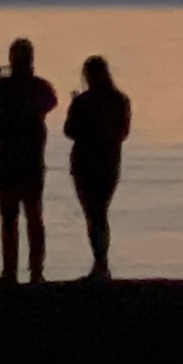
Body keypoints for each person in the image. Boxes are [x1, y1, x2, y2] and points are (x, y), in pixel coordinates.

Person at [0, 38, 59, 285]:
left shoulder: (0, 88)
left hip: (8, 161)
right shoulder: (39, 87)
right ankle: (36, 273)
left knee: (11, 219)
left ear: (12, 59)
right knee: (33, 217)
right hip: (30, 161)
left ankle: (11, 273)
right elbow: (51, 102)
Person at [63, 55, 132, 280]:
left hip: (85, 162)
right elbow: (123, 133)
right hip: (110, 161)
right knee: (100, 211)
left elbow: (70, 130)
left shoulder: (84, 102)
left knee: (93, 214)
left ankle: (100, 264)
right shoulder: (120, 100)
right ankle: (101, 263)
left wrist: (74, 106)